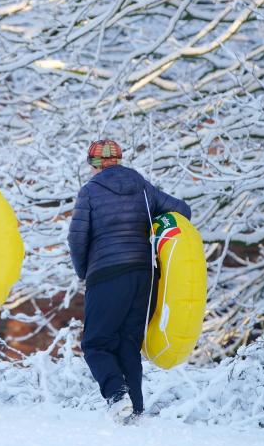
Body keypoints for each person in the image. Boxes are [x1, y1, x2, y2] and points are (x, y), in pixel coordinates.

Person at [67, 139, 191, 423]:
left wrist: (84, 271)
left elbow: (76, 238)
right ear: (119, 160)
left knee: (95, 343)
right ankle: (135, 410)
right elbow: (182, 211)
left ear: (93, 165)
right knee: (127, 342)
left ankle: (116, 395)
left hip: (107, 274)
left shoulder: (90, 191)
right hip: (143, 275)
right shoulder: (142, 186)